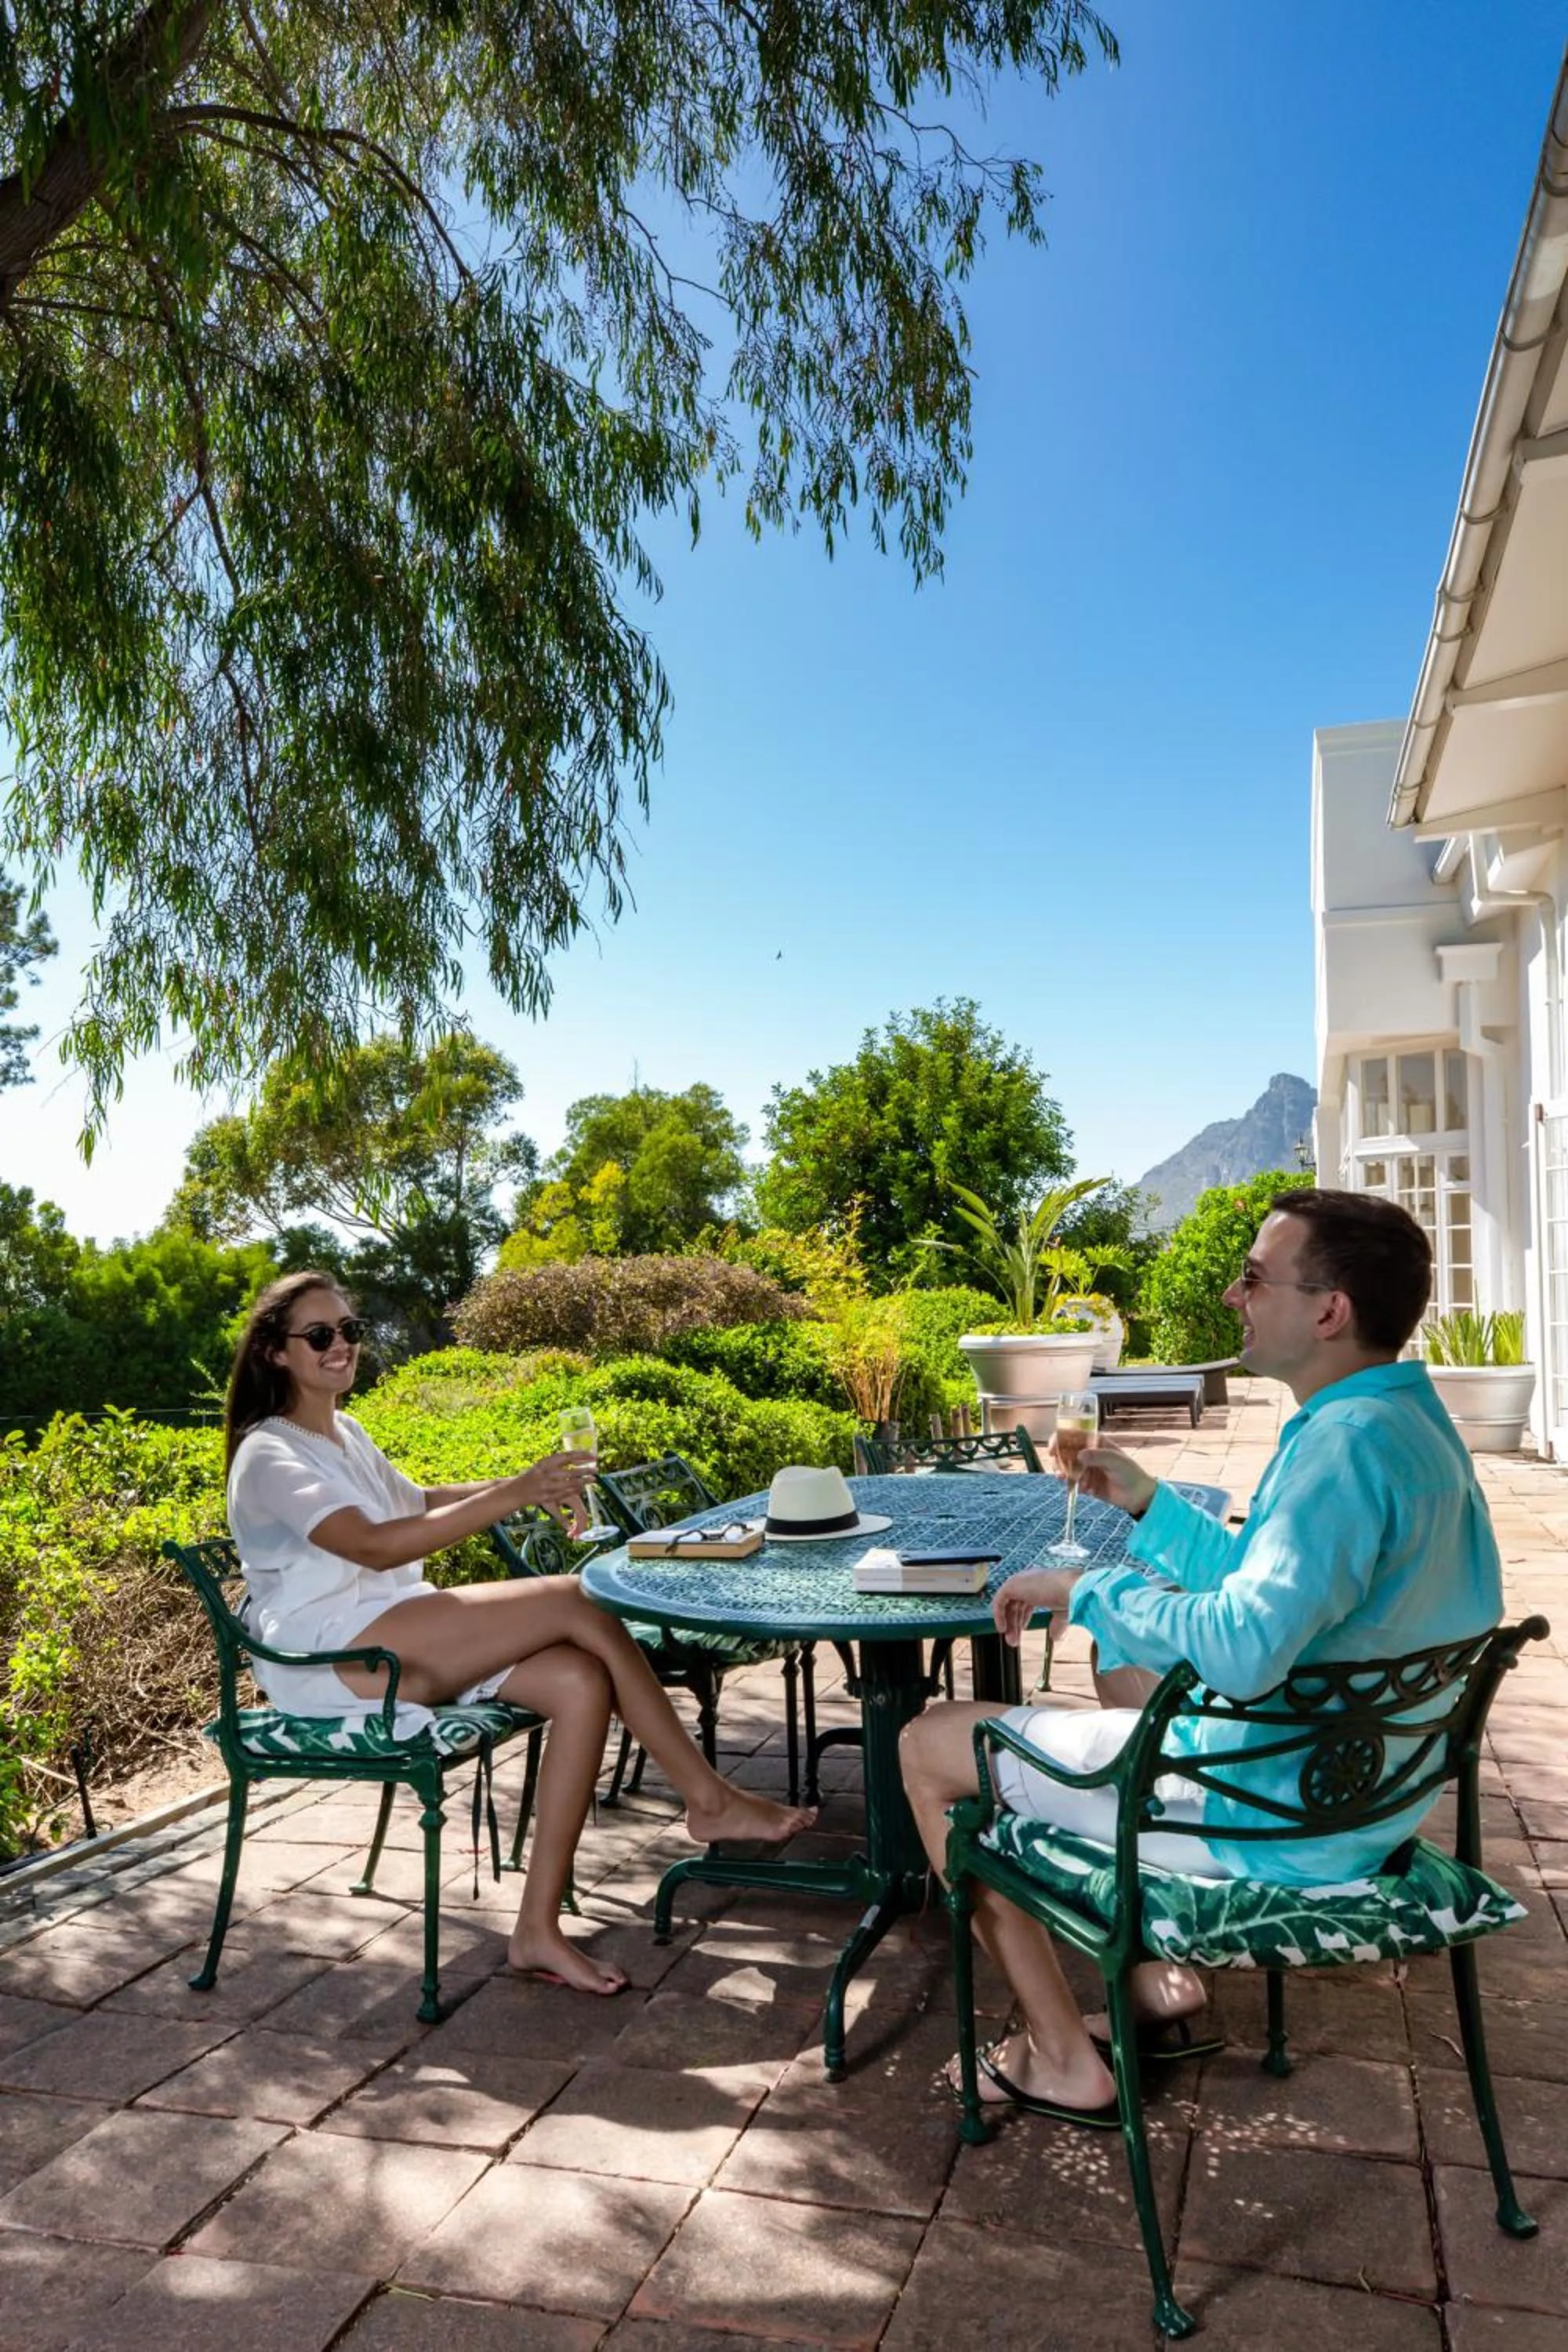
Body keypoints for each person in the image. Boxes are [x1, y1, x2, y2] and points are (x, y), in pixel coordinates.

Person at [900, 1188, 1503, 2125]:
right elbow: (1275, 1593)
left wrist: (1084, 1588)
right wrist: (1150, 1505)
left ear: (1328, 1311)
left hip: (1273, 1815)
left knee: (930, 1741)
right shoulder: (1408, 1428)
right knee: (1119, 1663)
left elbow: (1245, 1650)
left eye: (1253, 1279)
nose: (1231, 1295)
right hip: (1356, 1789)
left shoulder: (1340, 1451)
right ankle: (1157, 1984)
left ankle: (1061, 2058)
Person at [225, 1269, 815, 1998]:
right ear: (276, 1352)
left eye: (350, 1329)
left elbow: (417, 1503)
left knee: (579, 1680)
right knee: (575, 1597)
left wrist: (531, 1484)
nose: (340, 1345)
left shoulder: (344, 1433)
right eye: (319, 1335)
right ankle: (708, 1798)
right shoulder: (269, 1453)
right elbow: (375, 1545)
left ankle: (536, 1930)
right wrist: (515, 1493)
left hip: (394, 1634)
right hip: (334, 1653)